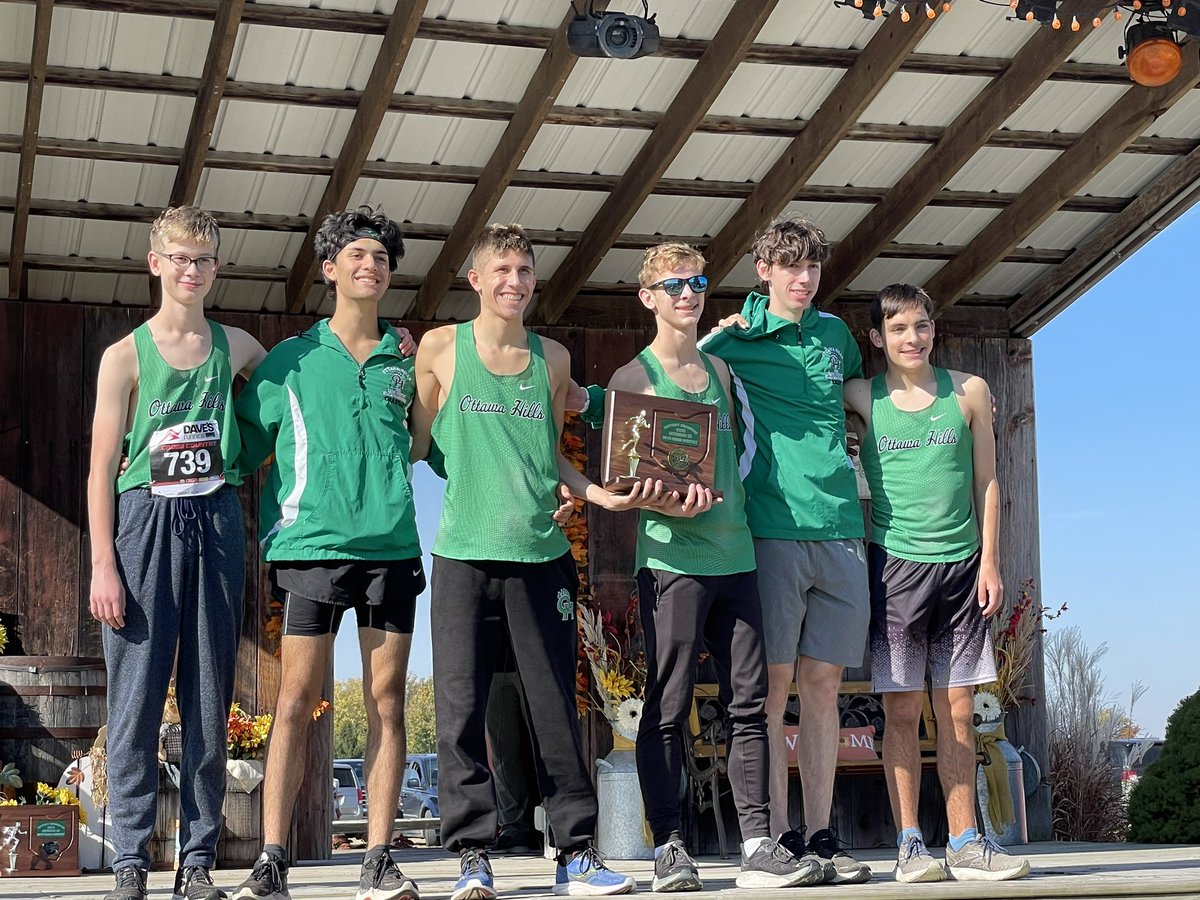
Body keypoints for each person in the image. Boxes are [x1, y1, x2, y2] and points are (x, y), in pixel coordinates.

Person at [411, 224, 636, 900]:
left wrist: (596, 493)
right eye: (501, 269)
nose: (514, 281)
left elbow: (549, 458)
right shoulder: (441, 349)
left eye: (524, 270)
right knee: (458, 710)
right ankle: (473, 856)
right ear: (475, 279)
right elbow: (417, 446)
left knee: (553, 709)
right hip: (461, 557)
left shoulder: (553, 358)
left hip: (541, 557)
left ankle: (576, 853)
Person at [604, 243, 823, 892]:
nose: (687, 295)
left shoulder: (721, 375)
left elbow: (742, 460)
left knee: (751, 708)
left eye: (696, 282)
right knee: (667, 709)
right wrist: (669, 496)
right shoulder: (633, 379)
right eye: (672, 285)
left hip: (737, 558)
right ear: (647, 297)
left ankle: (757, 844)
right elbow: (619, 485)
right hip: (672, 564)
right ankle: (669, 847)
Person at [230, 206, 421, 900]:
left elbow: (439, 445)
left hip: (393, 551)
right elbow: (237, 450)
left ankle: (377, 860)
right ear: (331, 269)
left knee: (388, 704)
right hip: (312, 549)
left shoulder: (407, 360)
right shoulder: (291, 361)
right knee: (296, 702)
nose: (372, 265)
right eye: (358, 255)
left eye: (382, 257)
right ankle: (272, 859)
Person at [87, 206, 265, 900]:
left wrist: (394, 343)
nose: (193, 271)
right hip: (144, 521)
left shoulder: (239, 345)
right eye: (181, 258)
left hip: (215, 518)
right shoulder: (125, 356)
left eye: (205, 260)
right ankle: (130, 859)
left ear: (217, 268)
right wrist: (104, 562)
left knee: (208, 693)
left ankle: (196, 862)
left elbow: (305, 370)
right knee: (134, 697)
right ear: (156, 263)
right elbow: (101, 466)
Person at [698, 216, 872, 884]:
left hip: (840, 529)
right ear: (762, 269)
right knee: (769, 693)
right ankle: (773, 840)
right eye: (790, 267)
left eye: (813, 269)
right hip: (768, 528)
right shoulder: (734, 340)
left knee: (823, 688)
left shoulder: (835, 336)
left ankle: (822, 835)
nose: (804, 279)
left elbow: (862, 401)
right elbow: (675, 365)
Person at [843, 284, 1030, 883]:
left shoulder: (970, 392)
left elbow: (988, 483)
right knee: (900, 710)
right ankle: (909, 846)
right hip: (895, 569)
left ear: (933, 328)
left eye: (921, 326)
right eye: (898, 329)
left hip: (963, 568)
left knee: (957, 710)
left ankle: (966, 841)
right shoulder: (861, 397)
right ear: (877, 338)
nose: (912, 338)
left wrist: (991, 561)